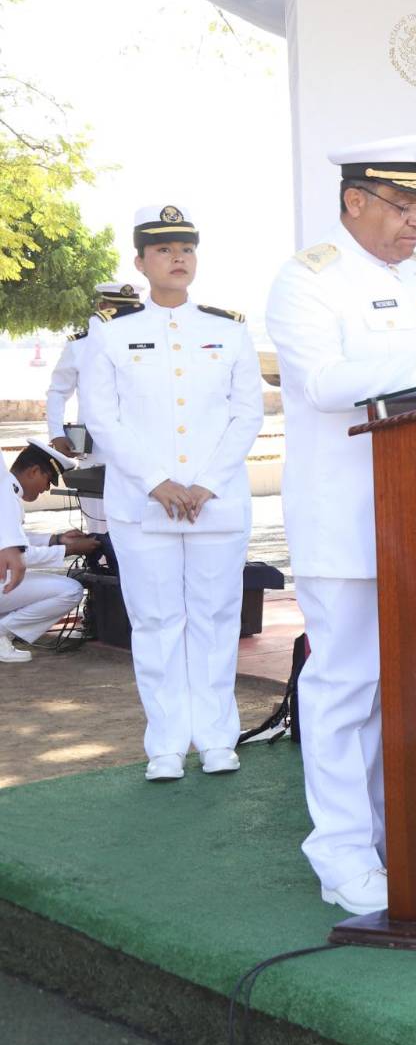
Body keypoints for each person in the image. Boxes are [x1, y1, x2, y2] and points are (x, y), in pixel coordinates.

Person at [266, 134, 416, 916]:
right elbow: (319, 382)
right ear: (354, 202)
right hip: (348, 520)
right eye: (403, 206)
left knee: (411, 686)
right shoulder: (310, 281)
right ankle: (340, 849)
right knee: (348, 684)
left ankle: (396, 831)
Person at [80, 205, 264, 783]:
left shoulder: (228, 330)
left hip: (216, 499)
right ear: (140, 262)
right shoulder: (112, 334)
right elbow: (101, 419)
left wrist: (204, 483)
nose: (178, 257)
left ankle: (216, 738)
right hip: (142, 503)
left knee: (215, 617)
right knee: (157, 620)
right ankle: (164, 743)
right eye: (163, 250)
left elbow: (247, 414)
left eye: (186, 248)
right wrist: (158, 482)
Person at [0, 440, 97, 663]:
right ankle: (2, 633)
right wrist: (67, 550)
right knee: (70, 590)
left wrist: (56, 539)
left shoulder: (7, 489)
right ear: (34, 471)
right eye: (47, 480)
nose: (47, 489)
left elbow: (16, 539)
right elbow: (18, 556)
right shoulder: (6, 494)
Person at [45, 282, 144, 458]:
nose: (125, 315)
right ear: (102, 307)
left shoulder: (150, 346)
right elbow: (58, 391)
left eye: (131, 310)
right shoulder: (79, 346)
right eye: (117, 309)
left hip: (142, 448)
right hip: (97, 452)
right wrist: (57, 433)